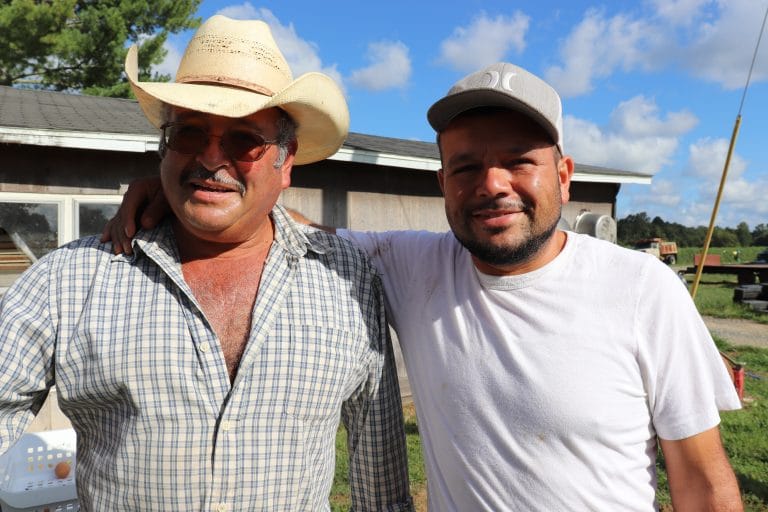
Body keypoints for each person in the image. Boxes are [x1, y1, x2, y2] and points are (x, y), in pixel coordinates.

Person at [103, 62, 743, 511]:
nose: (491, 184)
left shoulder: (642, 290)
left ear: (564, 175)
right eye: (466, 166)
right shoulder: (415, 267)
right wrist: (194, 189)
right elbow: (286, 229)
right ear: (443, 184)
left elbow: (702, 483)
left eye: (518, 161)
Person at [0, 15, 413, 511]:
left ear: (285, 161)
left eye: (243, 139)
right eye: (189, 134)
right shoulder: (70, 279)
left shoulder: (347, 278)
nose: (211, 159)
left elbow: (380, 480)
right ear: (163, 149)